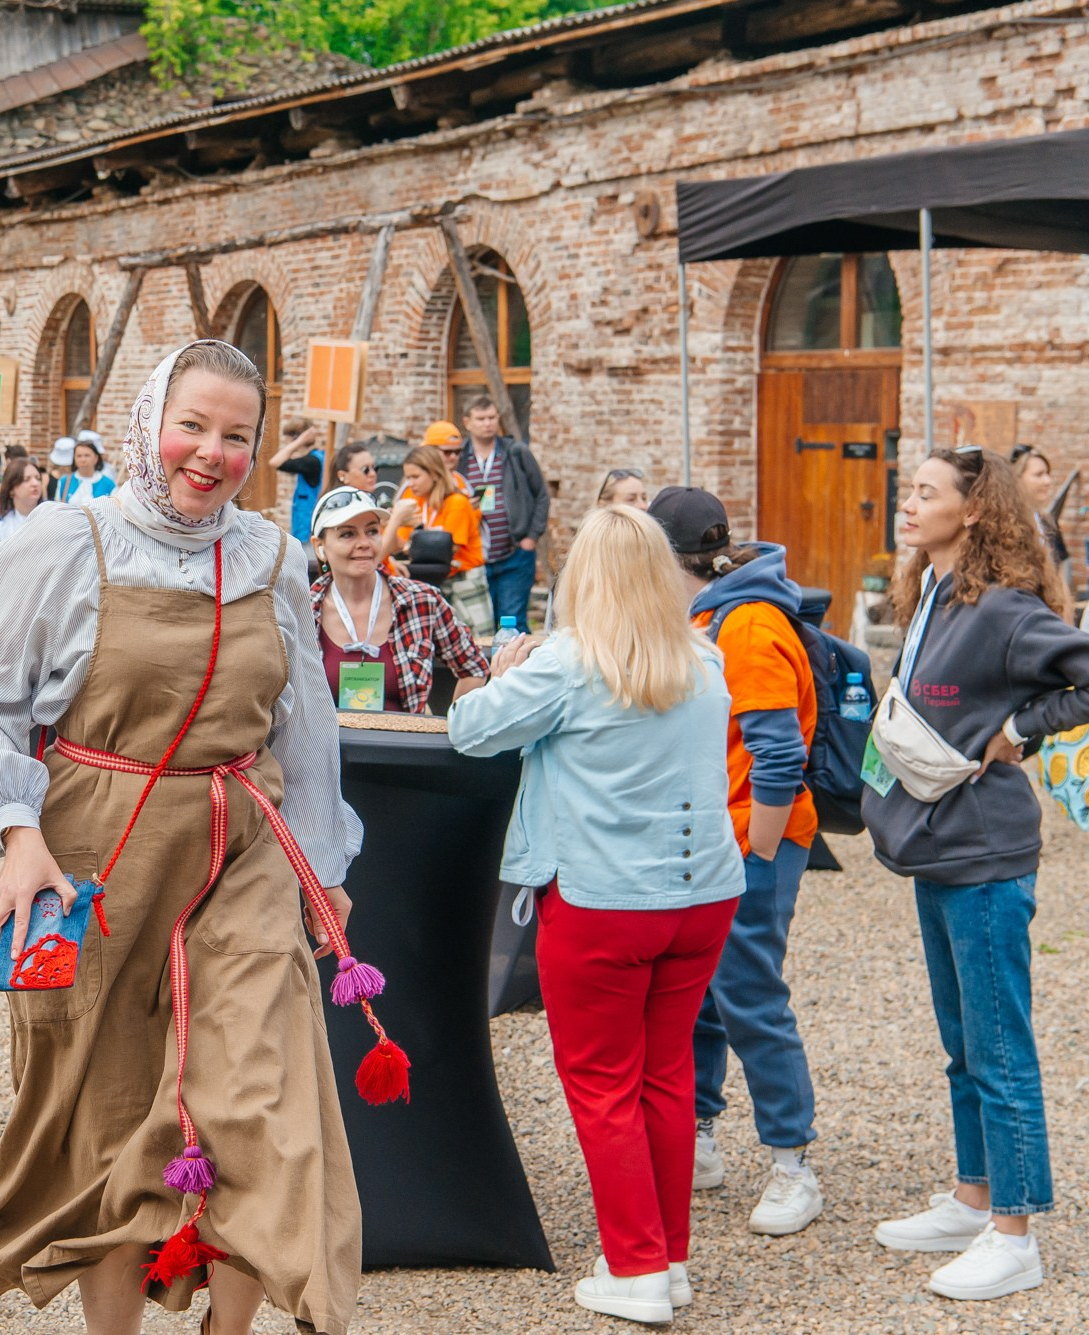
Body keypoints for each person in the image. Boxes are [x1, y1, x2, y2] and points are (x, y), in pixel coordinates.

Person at [0, 338, 382, 1335]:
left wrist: (319, 870)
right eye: (192, 425)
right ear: (149, 425)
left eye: (237, 436)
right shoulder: (67, 539)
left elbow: (306, 728)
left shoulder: (276, 560)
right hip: (93, 856)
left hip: (242, 849)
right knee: (102, 1117)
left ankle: (225, 1329)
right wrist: (15, 827)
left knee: (261, 1103)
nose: (211, 452)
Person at [450, 504, 741, 1325]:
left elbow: (471, 731)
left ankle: (638, 1267)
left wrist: (504, 671)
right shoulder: (704, 657)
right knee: (666, 1075)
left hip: (604, 899)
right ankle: (668, 1257)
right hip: (701, 896)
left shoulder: (571, 662)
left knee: (603, 1084)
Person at [864, 446, 1086, 1302]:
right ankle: (972, 1197)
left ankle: (1015, 1234)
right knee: (962, 1043)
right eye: (907, 490)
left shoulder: (1004, 609)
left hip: (986, 850)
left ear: (976, 509)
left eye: (926, 493)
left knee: (998, 1048)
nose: (908, 504)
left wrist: (1025, 729)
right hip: (935, 839)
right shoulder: (932, 589)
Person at [647, 487, 824, 1237]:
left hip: (754, 836)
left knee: (749, 991)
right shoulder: (711, 613)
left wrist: (753, 853)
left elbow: (780, 755)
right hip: (724, 833)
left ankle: (792, 1161)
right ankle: (701, 1131)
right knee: (705, 990)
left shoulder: (745, 626)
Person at [310, 486, 488, 713]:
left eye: (372, 531)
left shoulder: (422, 601)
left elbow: (474, 668)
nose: (364, 542)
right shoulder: (301, 610)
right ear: (320, 546)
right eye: (348, 534)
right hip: (326, 748)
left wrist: (450, 731)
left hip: (402, 746)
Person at [456, 396, 549, 629]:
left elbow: (542, 495)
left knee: (513, 623)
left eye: (491, 417)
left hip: (514, 554)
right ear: (467, 422)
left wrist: (531, 538)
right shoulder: (459, 458)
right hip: (475, 559)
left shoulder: (515, 453)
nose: (487, 423)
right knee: (477, 625)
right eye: (481, 419)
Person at [381, 446, 484, 627]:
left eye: (416, 477)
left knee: (476, 637)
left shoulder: (457, 503)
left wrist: (410, 545)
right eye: (408, 477)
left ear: (435, 474)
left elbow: (447, 549)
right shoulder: (417, 502)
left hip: (463, 581)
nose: (410, 483)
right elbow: (399, 544)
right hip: (432, 580)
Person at [1013, 447, 1069, 580]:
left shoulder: (1048, 523)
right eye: (1039, 475)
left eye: (1048, 474)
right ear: (1017, 478)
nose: (1047, 481)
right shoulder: (1007, 524)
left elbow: (1059, 575)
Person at [270, 418, 325, 547]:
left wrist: (298, 442)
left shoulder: (310, 462)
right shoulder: (318, 457)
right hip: (309, 526)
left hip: (307, 530)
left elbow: (275, 462)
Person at [0, 455, 48, 551]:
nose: (35, 483)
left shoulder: (50, 518)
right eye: (26, 479)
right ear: (11, 489)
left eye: (38, 478)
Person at [57, 437, 116, 505]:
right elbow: (57, 508)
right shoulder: (64, 481)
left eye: (87, 455)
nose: (83, 460)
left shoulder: (109, 484)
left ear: (96, 458)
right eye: (79, 456)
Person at [422, 419, 473, 495]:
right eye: (447, 452)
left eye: (457, 452)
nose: (453, 457)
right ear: (430, 451)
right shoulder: (418, 481)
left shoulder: (460, 480)